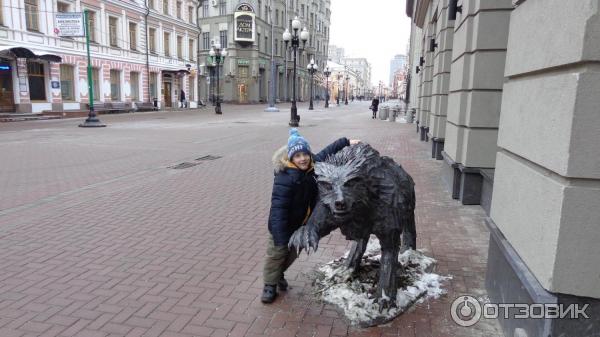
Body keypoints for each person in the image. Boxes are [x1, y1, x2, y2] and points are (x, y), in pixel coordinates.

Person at [262, 129, 360, 303]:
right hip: (282, 226)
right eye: (298, 156)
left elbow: (326, 152)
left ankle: (278, 275)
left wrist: (345, 141)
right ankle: (269, 285)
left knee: (292, 254)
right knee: (277, 254)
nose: (302, 159)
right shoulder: (284, 178)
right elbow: (278, 210)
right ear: (291, 158)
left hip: (300, 223)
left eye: (305, 154)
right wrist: (279, 236)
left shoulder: (312, 166)